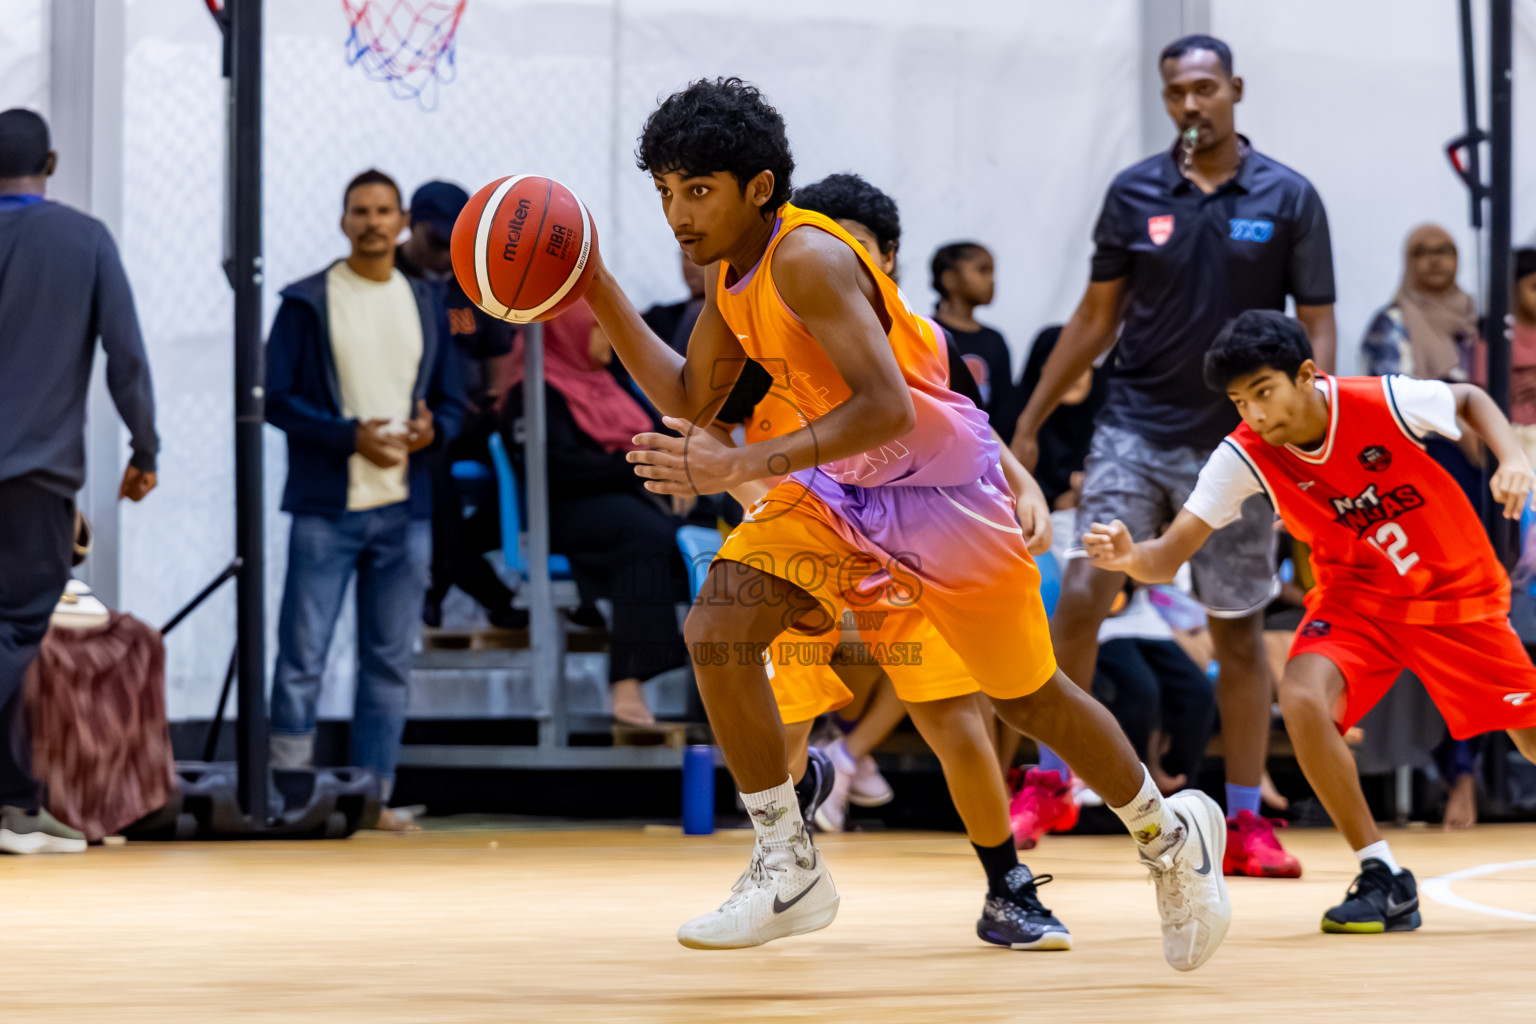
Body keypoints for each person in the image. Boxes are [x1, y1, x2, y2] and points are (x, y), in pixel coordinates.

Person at [584, 77, 1230, 969]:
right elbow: (693, 396)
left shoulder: (807, 258)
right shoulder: (729, 277)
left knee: (1027, 696)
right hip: (834, 488)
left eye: (698, 190)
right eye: (664, 192)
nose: (679, 214)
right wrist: (595, 282)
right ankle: (787, 861)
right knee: (718, 623)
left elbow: (889, 407)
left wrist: (735, 464)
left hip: (937, 493)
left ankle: (1169, 838)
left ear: (759, 188)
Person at [1085, 309, 1536, 933]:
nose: (1257, 415)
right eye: (1241, 402)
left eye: (1264, 392)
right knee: (1300, 695)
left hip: (1453, 594)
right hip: (1357, 602)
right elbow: (1167, 555)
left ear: (1306, 375)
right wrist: (1130, 555)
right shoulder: (1244, 455)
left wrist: (1511, 453)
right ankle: (1382, 874)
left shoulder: (1379, 400)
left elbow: (1467, 398)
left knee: (1528, 735)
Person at [1010, 34, 1338, 876]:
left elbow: (1318, 324)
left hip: (1242, 443)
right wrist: (1034, 415)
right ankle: (1050, 779)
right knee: (1084, 590)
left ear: (1234, 89)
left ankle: (1243, 822)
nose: (1190, 105)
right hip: (1133, 425)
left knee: (1235, 630)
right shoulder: (1133, 194)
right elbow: (1093, 317)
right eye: (1175, 94)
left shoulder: (1290, 196)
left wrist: (1312, 422)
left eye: (1203, 89)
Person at [721, 171, 1073, 950]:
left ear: (886, 259)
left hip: (906, 536)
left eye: (856, 247)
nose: (834, 258)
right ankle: (784, 856)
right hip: (807, 527)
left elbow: (967, 426)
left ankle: (1006, 886)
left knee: (954, 718)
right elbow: (722, 431)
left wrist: (1026, 485)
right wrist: (749, 491)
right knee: (779, 695)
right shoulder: (771, 325)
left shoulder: (921, 338)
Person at [265, 168, 465, 831]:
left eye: (384, 211)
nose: (373, 222)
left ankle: (373, 797)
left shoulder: (427, 301)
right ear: (343, 220)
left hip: (405, 512)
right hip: (328, 508)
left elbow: (455, 404)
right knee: (302, 657)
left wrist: (436, 430)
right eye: (360, 210)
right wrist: (349, 436)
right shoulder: (307, 300)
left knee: (388, 661)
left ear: (404, 221)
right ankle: (288, 793)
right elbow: (276, 400)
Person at [0, 108, 157, 855]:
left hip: (32, 472)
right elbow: (125, 357)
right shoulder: (84, 240)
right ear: (52, 163)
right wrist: (146, 448)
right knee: (20, 630)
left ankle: (15, 805)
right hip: (33, 475)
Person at [499, 299, 690, 728]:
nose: (610, 339)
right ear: (569, 333)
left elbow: (657, 438)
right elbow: (557, 468)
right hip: (565, 510)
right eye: (598, 329)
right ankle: (627, 679)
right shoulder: (538, 387)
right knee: (643, 535)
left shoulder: (608, 383)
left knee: (684, 536)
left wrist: (679, 472)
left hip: (621, 505)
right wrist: (637, 469)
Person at [395, 180, 524, 631]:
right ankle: (484, 588)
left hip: (467, 417)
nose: (444, 253)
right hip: (408, 420)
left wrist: (490, 406)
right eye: (435, 241)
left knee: (528, 456)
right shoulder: (384, 275)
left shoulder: (475, 283)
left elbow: (498, 358)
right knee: (433, 465)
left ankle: (443, 577)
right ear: (410, 227)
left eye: (455, 243)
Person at [931, 242, 1016, 435]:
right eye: (982, 270)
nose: (991, 280)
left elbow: (1004, 405)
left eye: (992, 272)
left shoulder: (995, 340)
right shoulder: (927, 333)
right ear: (950, 279)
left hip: (986, 447)